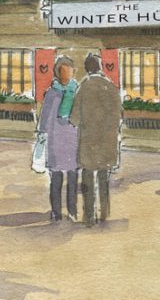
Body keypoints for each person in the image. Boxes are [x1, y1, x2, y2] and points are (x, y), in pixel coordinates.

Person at [70, 53, 122, 226]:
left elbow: (74, 118)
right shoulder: (111, 87)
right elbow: (119, 115)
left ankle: (89, 216)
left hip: (89, 141)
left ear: (87, 68)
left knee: (87, 179)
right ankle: (104, 213)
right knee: (103, 177)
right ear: (100, 67)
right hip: (107, 141)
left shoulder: (84, 87)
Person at [38, 56, 79, 222]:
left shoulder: (76, 91)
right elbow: (44, 117)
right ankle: (56, 211)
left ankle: (72, 211)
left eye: (69, 71)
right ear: (57, 73)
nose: (67, 75)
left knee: (72, 177)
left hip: (73, 139)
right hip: (55, 140)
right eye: (64, 72)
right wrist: (42, 133)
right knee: (56, 178)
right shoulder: (52, 92)